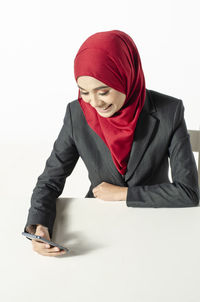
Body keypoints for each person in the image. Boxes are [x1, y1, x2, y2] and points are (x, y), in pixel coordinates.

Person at [23, 30, 199, 257]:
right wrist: (38, 227)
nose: (94, 102)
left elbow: (188, 192)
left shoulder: (169, 111)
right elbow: (50, 181)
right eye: (84, 92)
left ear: (126, 77)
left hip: (155, 222)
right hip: (99, 223)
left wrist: (123, 194)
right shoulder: (77, 114)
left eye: (103, 91)